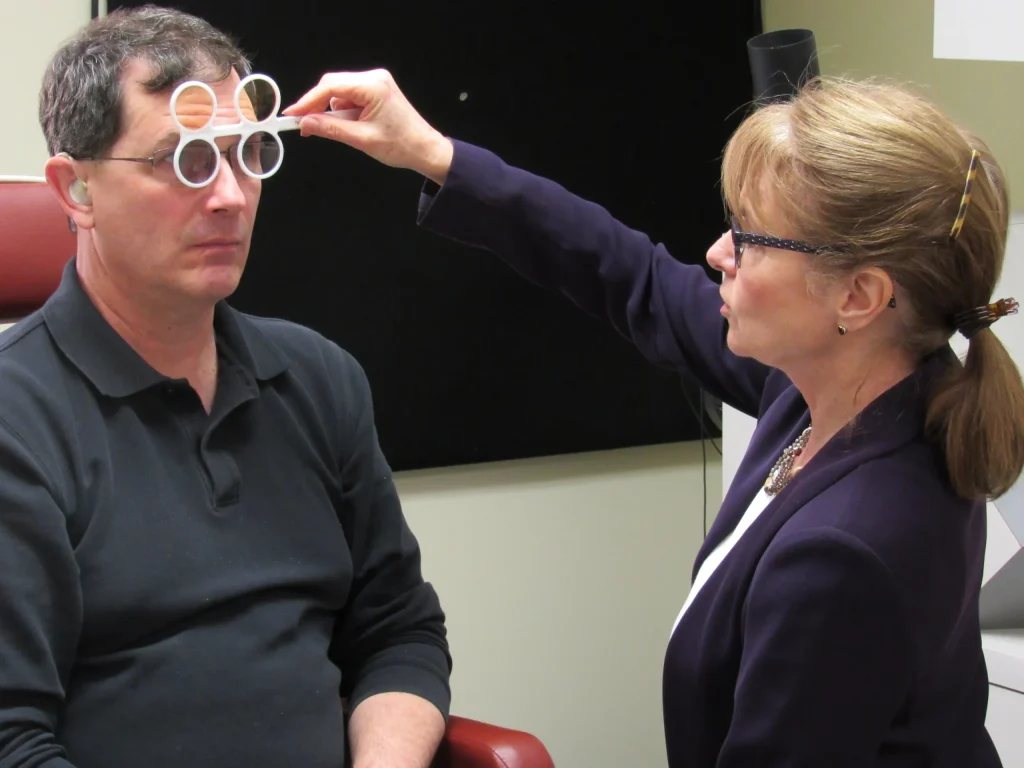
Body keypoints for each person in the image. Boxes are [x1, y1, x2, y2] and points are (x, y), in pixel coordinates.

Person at [282, 70, 1024, 766]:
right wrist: (431, 153)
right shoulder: (862, 386)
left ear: (858, 297)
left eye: (753, 240)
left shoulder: (846, 551)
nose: (717, 252)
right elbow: (631, 273)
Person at [0, 8, 450, 768]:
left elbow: (399, 635)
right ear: (75, 191)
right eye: (185, 161)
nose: (231, 197)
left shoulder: (318, 380)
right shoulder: (18, 421)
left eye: (245, 155)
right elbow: (12, 739)